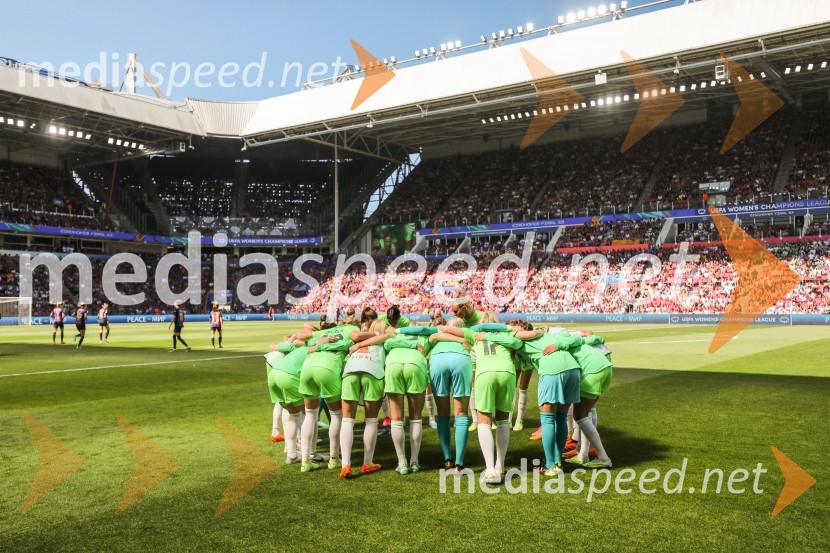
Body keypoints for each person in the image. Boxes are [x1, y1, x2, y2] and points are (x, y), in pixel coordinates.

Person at [401, 318, 474, 471]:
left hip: (438, 359)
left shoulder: (437, 332)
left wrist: (395, 331)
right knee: (461, 413)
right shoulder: (466, 334)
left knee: (443, 414)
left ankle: (447, 458)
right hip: (461, 359)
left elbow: (423, 333)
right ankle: (459, 463)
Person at [297, 317, 359, 473]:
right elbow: (352, 343)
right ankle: (334, 458)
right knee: (337, 415)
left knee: (310, 415)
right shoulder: (353, 331)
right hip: (327, 368)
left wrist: (317, 344)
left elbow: (305, 340)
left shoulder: (324, 332)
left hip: (308, 367)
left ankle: (305, 461)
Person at [339, 319, 389, 478]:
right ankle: (367, 463)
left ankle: (345, 464)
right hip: (372, 372)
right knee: (371, 420)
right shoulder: (386, 340)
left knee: (347, 420)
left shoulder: (357, 341)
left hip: (350, 372)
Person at [383, 324, 432, 474]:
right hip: (415, 364)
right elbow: (436, 331)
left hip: (393, 364)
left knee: (396, 418)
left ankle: (402, 462)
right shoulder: (426, 335)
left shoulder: (394, 335)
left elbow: (387, 343)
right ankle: (415, 461)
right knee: (416, 418)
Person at [564, 333, 613, 469]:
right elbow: (596, 337)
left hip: (593, 371)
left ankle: (603, 457)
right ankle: (583, 455)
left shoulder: (558, 343)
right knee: (588, 411)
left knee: (580, 415)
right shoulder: (578, 340)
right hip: (606, 366)